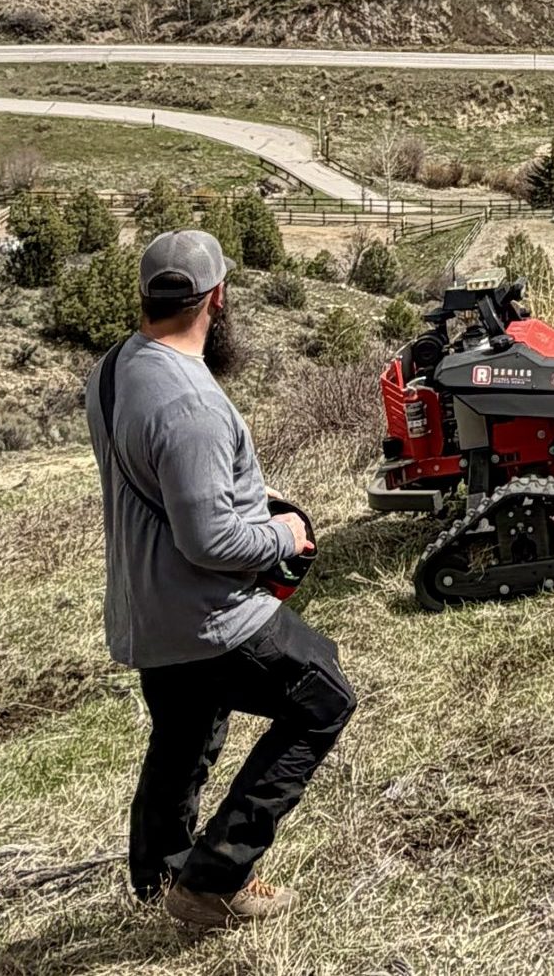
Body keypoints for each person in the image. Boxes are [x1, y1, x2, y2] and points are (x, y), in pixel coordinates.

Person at [84, 230, 356, 928]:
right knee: (323, 697)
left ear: (146, 296)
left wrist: (244, 496)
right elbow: (209, 541)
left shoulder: (115, 369)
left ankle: (159, 877)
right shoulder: (192, 405)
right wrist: (283, 535)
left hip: (146, 609)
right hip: (205, 614)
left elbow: (163, 479)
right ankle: (214, 879)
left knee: (183, 732)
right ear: (218, 298)